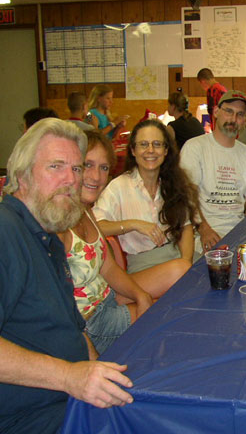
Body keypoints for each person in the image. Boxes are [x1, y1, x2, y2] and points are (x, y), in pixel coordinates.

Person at [0, 119, 133, 433]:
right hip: (21, 418)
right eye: (56, 166)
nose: (71, 179)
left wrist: (93, 370)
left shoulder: (46, 235)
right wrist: (69, 376)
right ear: (22, 175)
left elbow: (72, 328)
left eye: (76, 168)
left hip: (64, 399)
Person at [59, 131, 190, 354]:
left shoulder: (86, 211)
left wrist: (141, 296)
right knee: (175, 320)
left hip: (107, 299)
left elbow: (108, 267)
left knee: (181, 297)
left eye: (103, 168)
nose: (96, 176)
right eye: (87, 165)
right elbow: (57, 305)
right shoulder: (58, 223)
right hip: (93, 324)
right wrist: (89, 358)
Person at [94, 120, 198, 273]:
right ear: (133, 150)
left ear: (166, 150)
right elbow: (96, 226)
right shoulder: (118, 187)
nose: (150, 150)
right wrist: (134, 224)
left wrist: (187, 262)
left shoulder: (174, 184)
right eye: (143, 144)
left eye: (157, 144)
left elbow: (186, 227)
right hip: (143, 264)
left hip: (177, 255)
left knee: (216, 268)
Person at [180, 90, 246, 254]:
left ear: (245, 120)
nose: (233, 119)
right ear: (216, 112)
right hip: (202, 232)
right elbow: (187, 196)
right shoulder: (194, 147)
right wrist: (204, 229)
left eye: (240, 114)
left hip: (238, 232)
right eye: (229, 111)